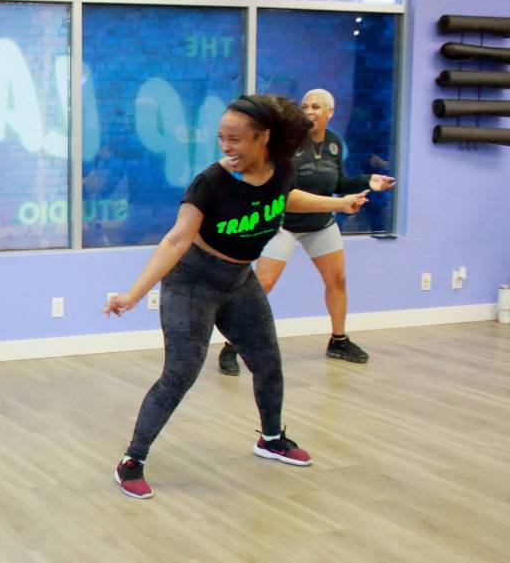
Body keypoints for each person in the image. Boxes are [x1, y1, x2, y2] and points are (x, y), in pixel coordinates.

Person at [105, 94, 369, 499]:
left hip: (239, 282)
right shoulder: (211, 182)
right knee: (181, 374)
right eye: (221, 138)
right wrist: (134, 293)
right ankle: (132, 461)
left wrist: (340, 202)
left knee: (268, 362)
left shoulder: (281, 169)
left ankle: (271, 437)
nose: (226, 147)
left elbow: (286, 196)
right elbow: (176, 240)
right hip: (193, 283)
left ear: (264, 138)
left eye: (235, 139)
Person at [218, 89, 395, 375]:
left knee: (337, 281)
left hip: (320, 224)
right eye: (305, 106)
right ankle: (231, 346)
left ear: (330, 113)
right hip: (283, 225)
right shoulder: (288, 144)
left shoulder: (334, 143)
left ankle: (338, 341)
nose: (309, 111)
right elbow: (282, 189)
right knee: (260, 286)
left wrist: (369, 181)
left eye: (316, 106)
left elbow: (339, 182)